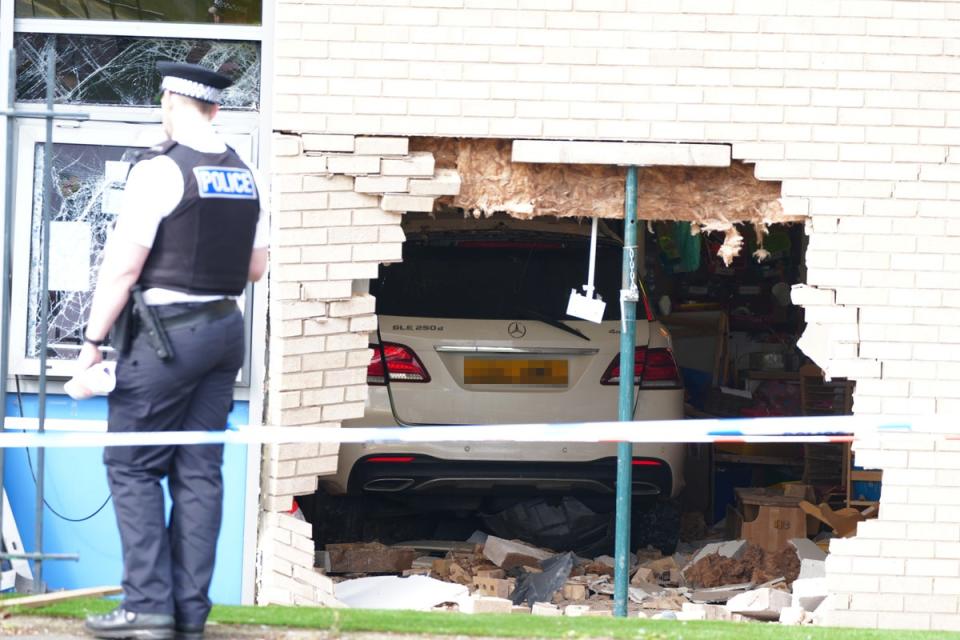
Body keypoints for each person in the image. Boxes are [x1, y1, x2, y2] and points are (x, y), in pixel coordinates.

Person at [80, 61, 268, 640]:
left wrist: (90, 345)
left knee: (132, 465)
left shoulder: (161, 170)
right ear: (215, 109)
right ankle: (189, 614)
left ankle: (147, 607)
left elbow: (123, 269)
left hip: (166, 337)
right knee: (198, 472)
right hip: (224, 331)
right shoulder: (248, 173)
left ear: (169, 103)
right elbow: (257, 268)